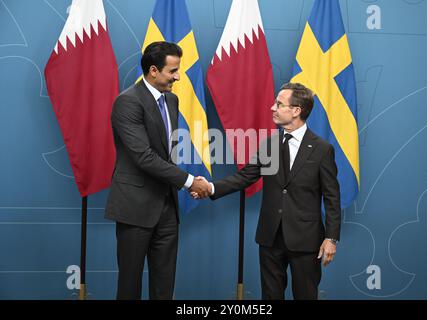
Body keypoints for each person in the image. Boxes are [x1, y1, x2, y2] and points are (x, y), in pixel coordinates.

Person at [193, 82, 341, 300]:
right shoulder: (269, 145)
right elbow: (245, 177)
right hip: (270, 237)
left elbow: (332, 197)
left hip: (306, 239)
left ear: (296, 110)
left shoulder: (321, 149)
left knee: (306, 295)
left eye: (279, 104)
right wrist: (211, 187)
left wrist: (331, 238)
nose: (272, 108)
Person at [105, 41, 210, 300]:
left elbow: (166, 153)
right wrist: (189, 182)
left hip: (167, 207)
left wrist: (187, 181)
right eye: (172, 71)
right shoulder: (127, 102)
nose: (177, 76)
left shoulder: (171, 100)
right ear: (153, 70)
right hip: (135, 207)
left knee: (164, 286)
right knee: (129, 286)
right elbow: (144, 157)